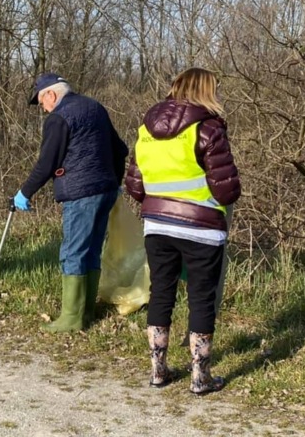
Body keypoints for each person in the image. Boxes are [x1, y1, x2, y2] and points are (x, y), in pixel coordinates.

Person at [125, 67, 241, 394]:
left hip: (157, 226)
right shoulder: (208, 128)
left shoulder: (146, 130)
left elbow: (135, 186)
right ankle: (200, 378)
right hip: (202, 228)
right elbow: (227, 191)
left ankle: (158, 371)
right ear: (205, 90)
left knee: (161, 293)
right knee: (201, 299)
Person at [14, 73, 128, 333]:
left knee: (73, 252)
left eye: (42, 102)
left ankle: (71, 318)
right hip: (106, 190)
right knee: (92, 250)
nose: (43, 109)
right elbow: (120, 149)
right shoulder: (95, 107)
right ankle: (87, 312)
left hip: (80, 193)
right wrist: (115, 181)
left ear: (51, 94)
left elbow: (47, 163)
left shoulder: (59, 118)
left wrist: (25, 192)